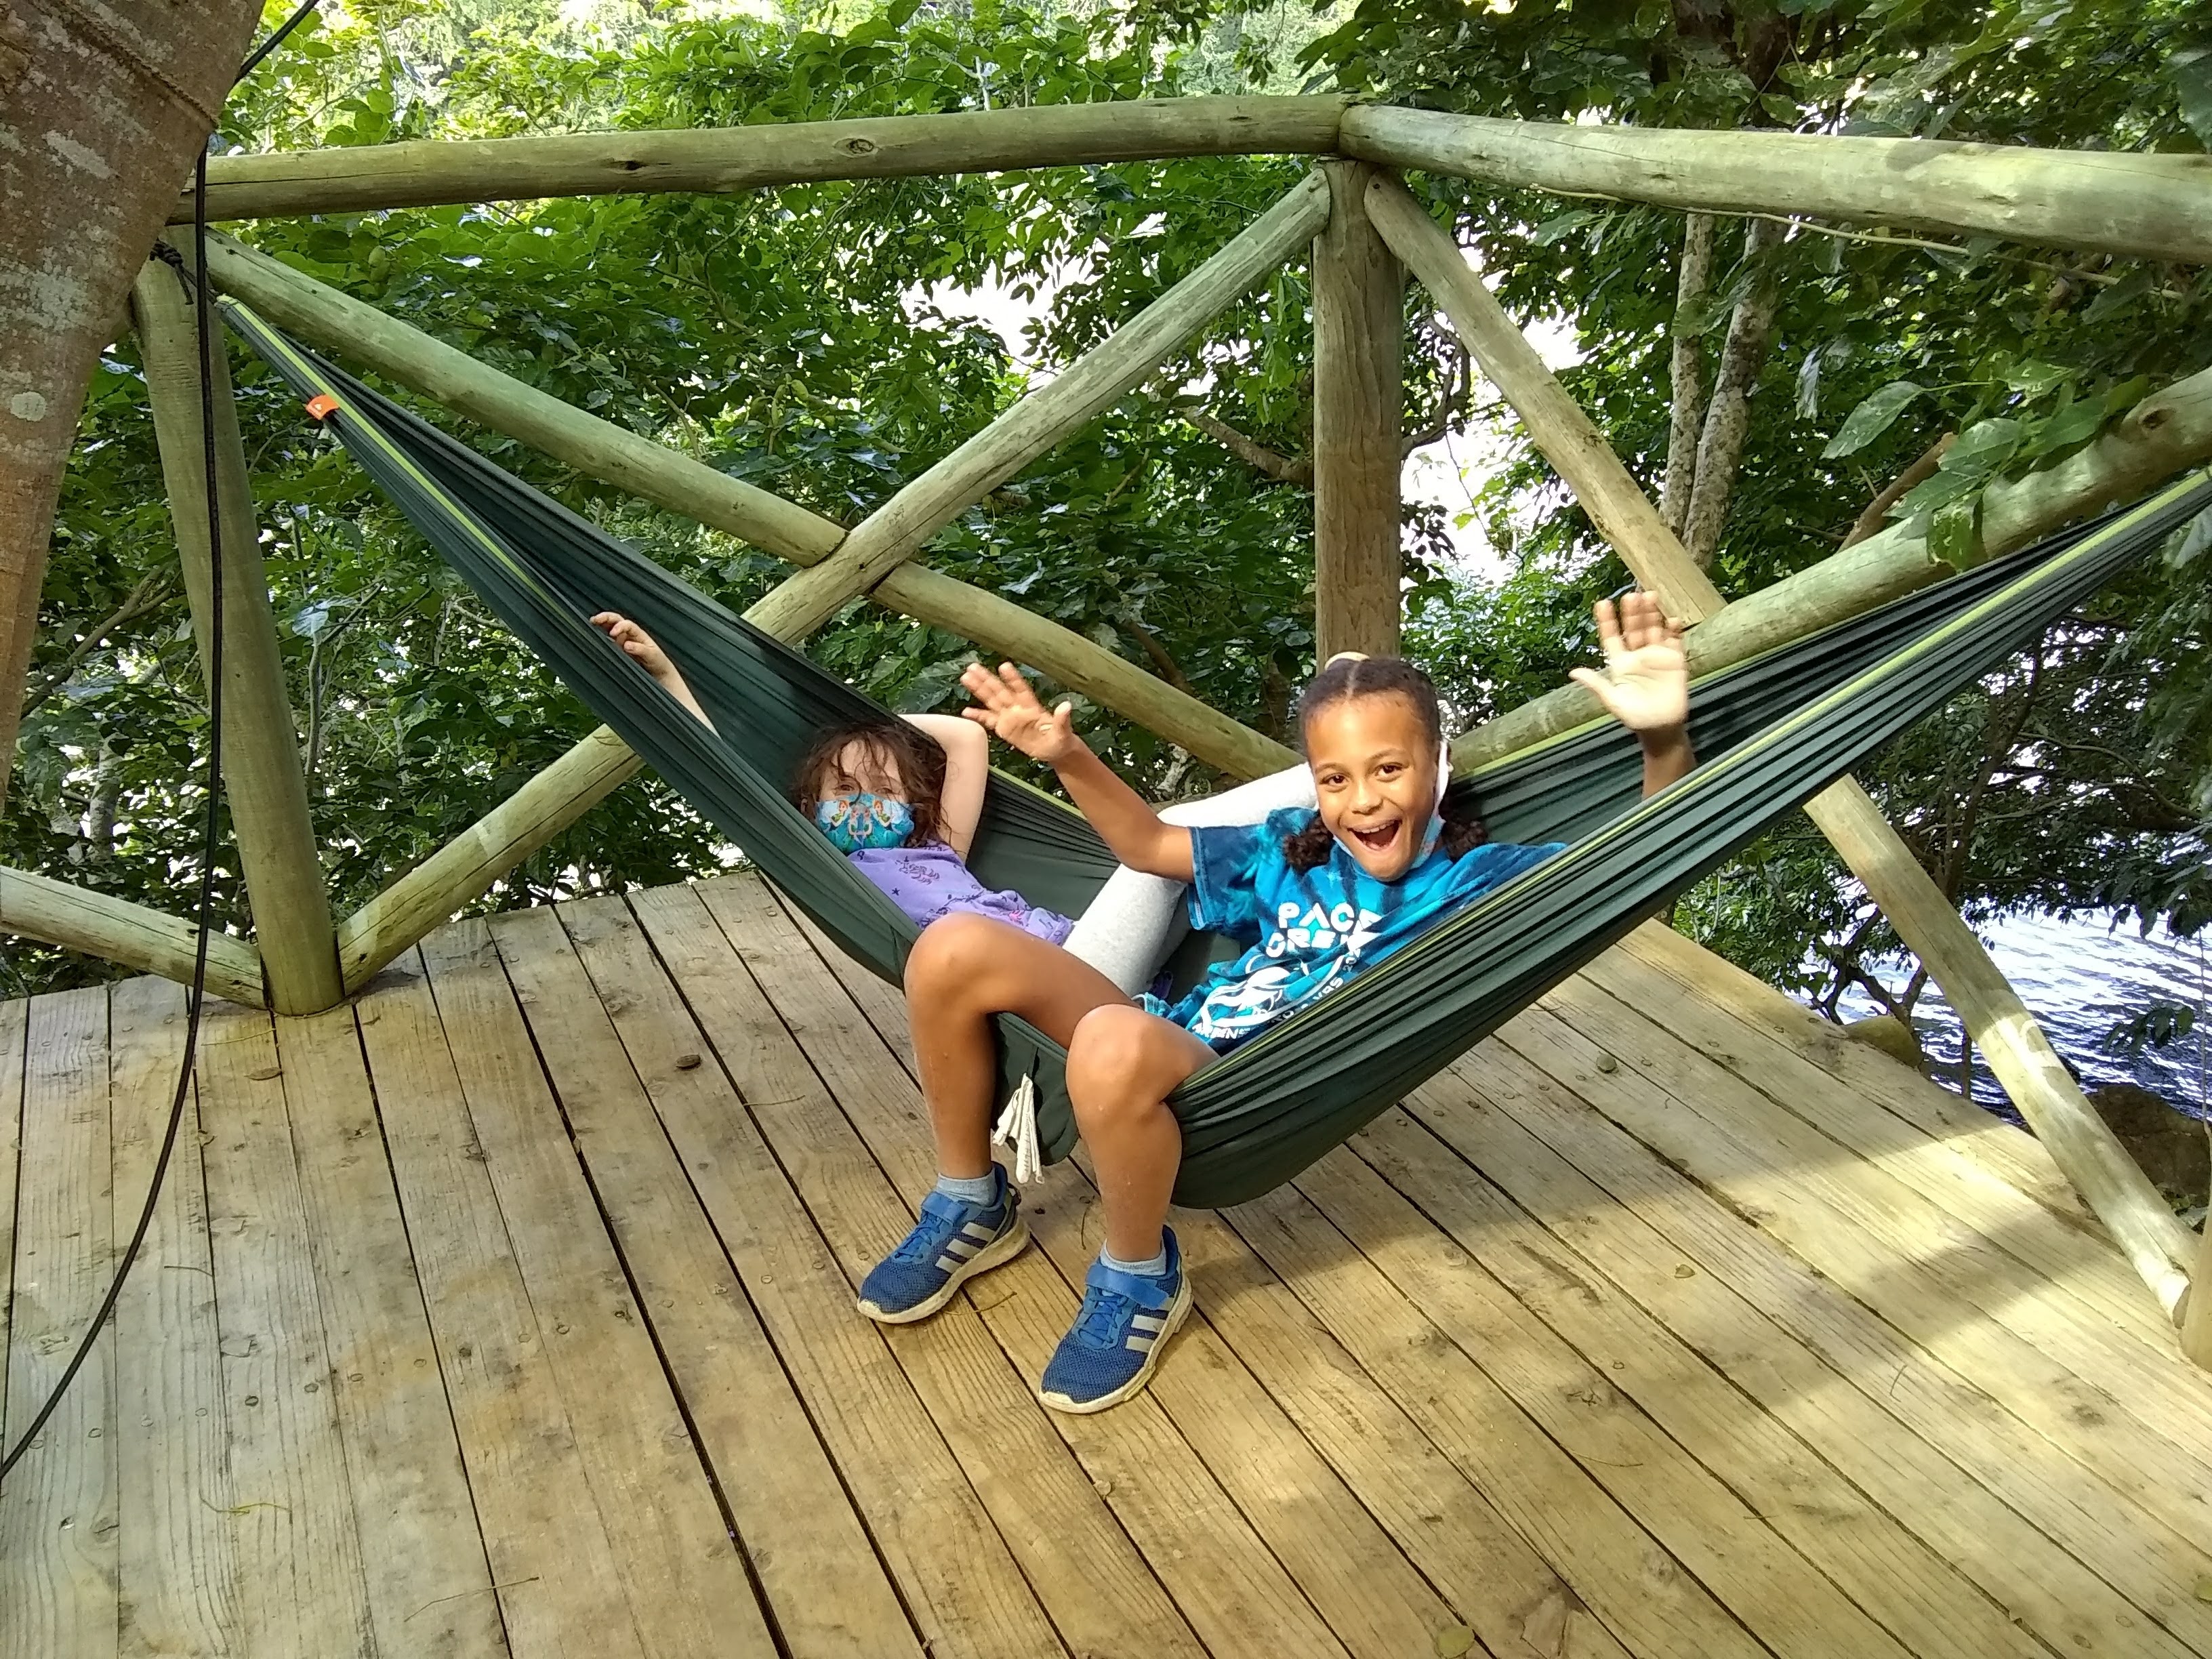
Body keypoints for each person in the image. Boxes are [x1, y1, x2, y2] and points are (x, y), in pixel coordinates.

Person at [859, 594, 1696, 1415]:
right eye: (1336, 778)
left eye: (1389, 770)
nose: (1362, 800)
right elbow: (1146, 845)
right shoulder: (1290, 851)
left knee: (1113, 1039)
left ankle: (1139, 1278)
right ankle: (970, 1198)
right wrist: (1065, 754)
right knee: (950, 947)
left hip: (1243, 1081)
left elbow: (1630, 876)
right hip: (1170, 1039)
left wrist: (1661, 740)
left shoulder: (1476, 883)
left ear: (1436, 766)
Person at [589, 612, 1073, 943]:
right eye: (844, 788)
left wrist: (865, 729)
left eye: (884, 789)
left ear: (911, 810)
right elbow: (725, 771)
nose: (865, 802)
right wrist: (666, 675)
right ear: (811, 807)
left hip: (1051, 938)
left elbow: (966, 736)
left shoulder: (942, 846)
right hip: (994, 964)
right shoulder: (820, 861)